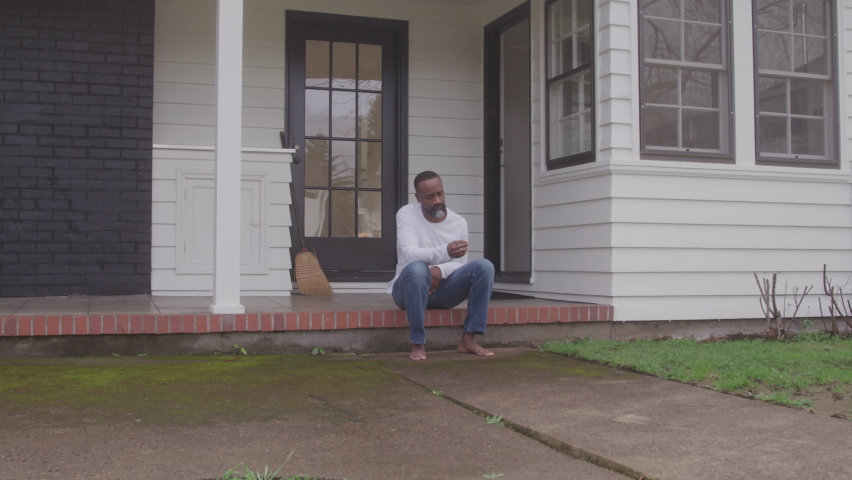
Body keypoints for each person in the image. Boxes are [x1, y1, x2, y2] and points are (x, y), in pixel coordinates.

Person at [388, 170, 495, 361]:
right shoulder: (406, 214)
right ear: (418, 197)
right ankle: (418, 343)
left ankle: (468, 340)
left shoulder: (459, 222)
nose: (437, 200)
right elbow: (411, 254)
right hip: (407, 291)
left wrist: (440, 269)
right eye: (430, 197)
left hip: (443, 292)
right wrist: (444, 251)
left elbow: (460, 262)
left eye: (440, 194)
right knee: (418, 268)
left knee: (484, 267)